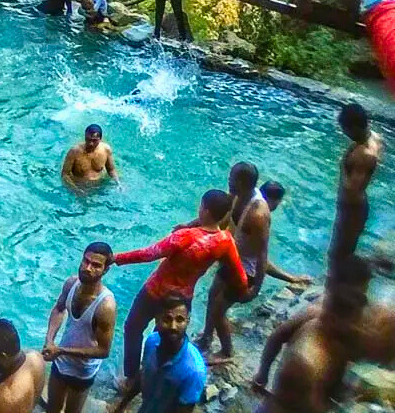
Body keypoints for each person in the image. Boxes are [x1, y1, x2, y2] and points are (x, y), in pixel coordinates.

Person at [111, 189, 244, 379]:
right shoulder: (225, 241)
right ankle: (153, 372)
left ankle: (131, 376)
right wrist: (239, 292)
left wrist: (117, 258)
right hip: (182, 299)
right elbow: (240, 275)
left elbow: (149, 253)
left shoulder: (184, 237)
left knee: (133, 328)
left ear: (205, 211)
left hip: (155, 291)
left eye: (201, 206)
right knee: (166, 337)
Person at [251, 256, 372, 413]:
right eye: (360, 293)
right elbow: (277, 336)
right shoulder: (312, 325)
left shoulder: (345, 326)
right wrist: (262, 374)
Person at [198, 162, 270, 363]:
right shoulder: (238, 196)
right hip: (231, 260)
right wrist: (189, 226)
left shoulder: (257, 213)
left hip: (246, 270)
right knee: (212, 296)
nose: (228, 181)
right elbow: (218, 216)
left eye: (232, 179)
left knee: (219, 311)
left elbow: (263, 253)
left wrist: (256, 287)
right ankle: (206, 337)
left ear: (242, 182)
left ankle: (227, 352)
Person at [42, 243, 117, 413]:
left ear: (105, 270)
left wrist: (61, 350)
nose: (87, 268)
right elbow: (59, 309)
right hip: (60, 360)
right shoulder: (70, 284)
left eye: (96, 265)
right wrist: (49, 340)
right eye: (86, 261)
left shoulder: (105, 306)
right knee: (52, 408)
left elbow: (103, 350)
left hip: (83, 370)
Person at [111, 295, 204, 413]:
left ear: (188, 321)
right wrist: (121, 406)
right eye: (167, 319)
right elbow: (143, 373)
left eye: (180, 319)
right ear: (157, 319)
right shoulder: (152, 341)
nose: (173, 326)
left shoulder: (194, 371)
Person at [334, 100, 381, 262]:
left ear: (354, 127)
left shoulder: (364, 154)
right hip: (358, 206)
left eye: (345, 129)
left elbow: (351, 188)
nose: (344, 133)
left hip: (352, 210)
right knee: (346, 249)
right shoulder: (375, 137)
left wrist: (342, 165)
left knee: (339, 253)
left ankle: (341, 285)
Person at [256, 182, 313, 286]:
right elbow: (261, 261)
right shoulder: (261, 219)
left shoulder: (248, 204)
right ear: (276, 201)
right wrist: (293, 278)